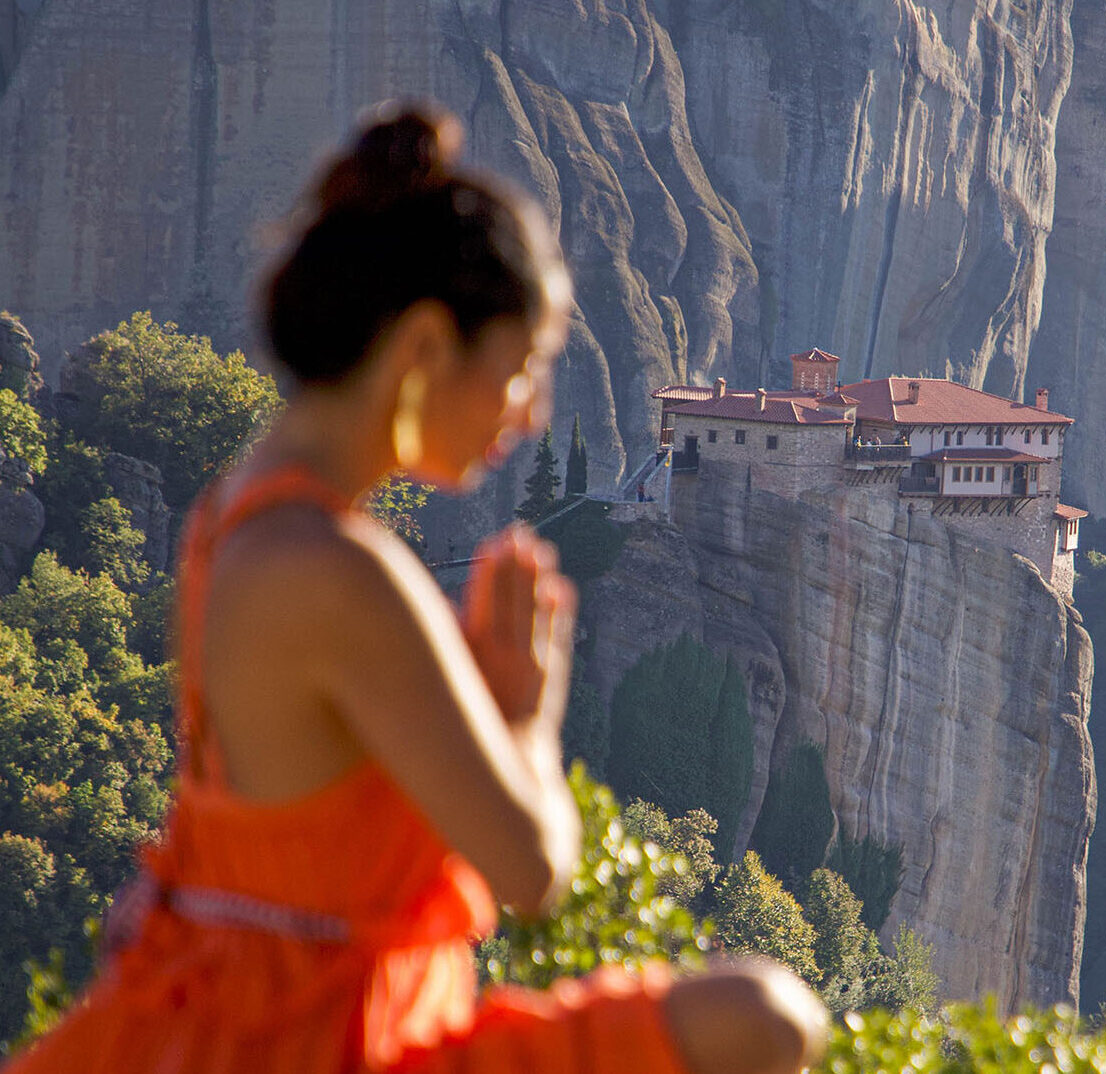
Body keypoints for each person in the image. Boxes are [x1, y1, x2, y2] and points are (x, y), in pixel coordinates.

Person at [4, 102, 825, 1074]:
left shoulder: (233, 515)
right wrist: (524, 708)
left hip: (249, 1011)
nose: (527, 416)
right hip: (323, 1038)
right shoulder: (342, 573)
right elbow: (532, 868)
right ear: (426, 348)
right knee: (765, 1018)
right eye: (519, 373)